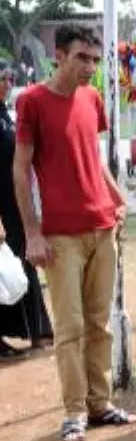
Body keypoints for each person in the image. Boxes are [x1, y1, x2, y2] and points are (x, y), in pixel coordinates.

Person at [13, 23, 136, 441]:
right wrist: (31, 233)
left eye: (94, 59)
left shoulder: (93, 99)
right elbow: (20, 169)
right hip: (60, 235)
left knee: (99, 323)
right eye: (82, 58)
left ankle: (100, 404)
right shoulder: (32, 101)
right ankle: (74, 410)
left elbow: (95, 159)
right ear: (59, 56)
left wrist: (118, 198)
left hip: (103, 227)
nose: (90, 67)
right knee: (70, 327)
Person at [0, 67, 52, 357]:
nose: (8, 84)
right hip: (2, 211)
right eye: (2, 79)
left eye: (10, 79)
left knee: (21, 264)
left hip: (13, 205)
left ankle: (38, 329)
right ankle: (37, 330)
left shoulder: (5, 115)